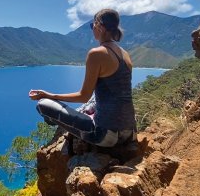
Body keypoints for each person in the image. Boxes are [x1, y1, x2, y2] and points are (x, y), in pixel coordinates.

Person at [29, 8, 136, 147]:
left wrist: (49, 95)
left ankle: (62, 119)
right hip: (130, 132)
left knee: (43, 104)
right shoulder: (125, 53)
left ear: (100, 26)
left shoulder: (96, 53)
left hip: (105, 135)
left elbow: (83, 96)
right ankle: (90, 113)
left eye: (92, 25)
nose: (92, 29)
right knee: (96, 97)